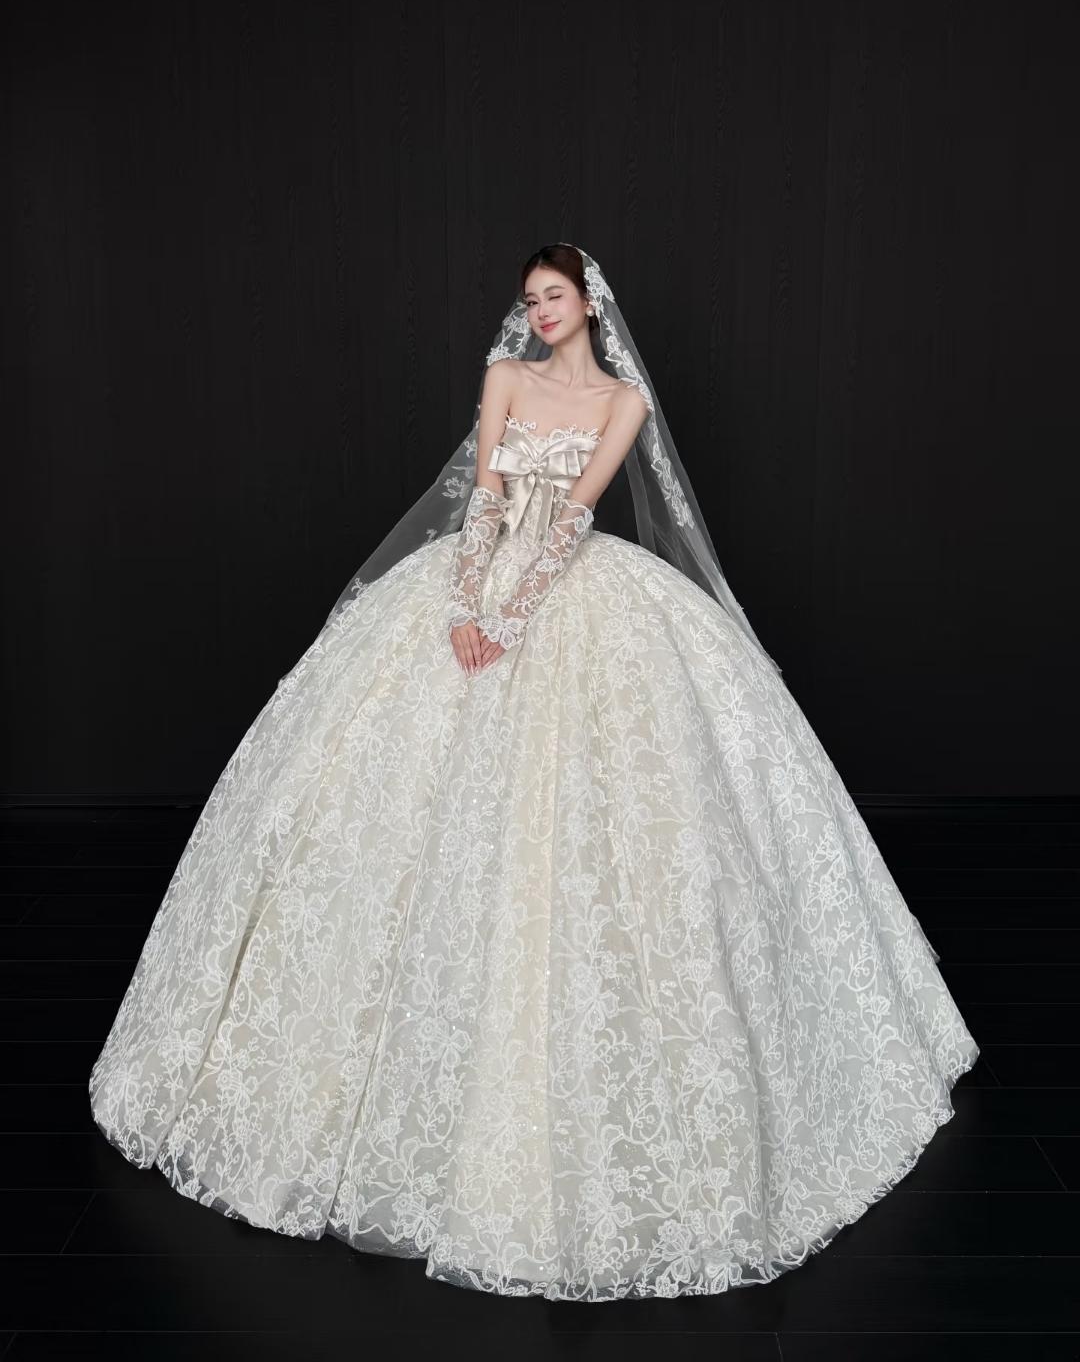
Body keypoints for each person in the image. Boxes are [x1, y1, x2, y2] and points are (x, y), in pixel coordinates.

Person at [89, 242, 978, 1302]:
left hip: (567, 588)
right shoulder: (504, 377)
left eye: (555, 296)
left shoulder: (623, 401)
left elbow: (576, 512)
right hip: (476, 582)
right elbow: (485, 497)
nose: (541, 311)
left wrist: (513, 615)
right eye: (531, 299)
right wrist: (469, 603)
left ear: (590, 303)